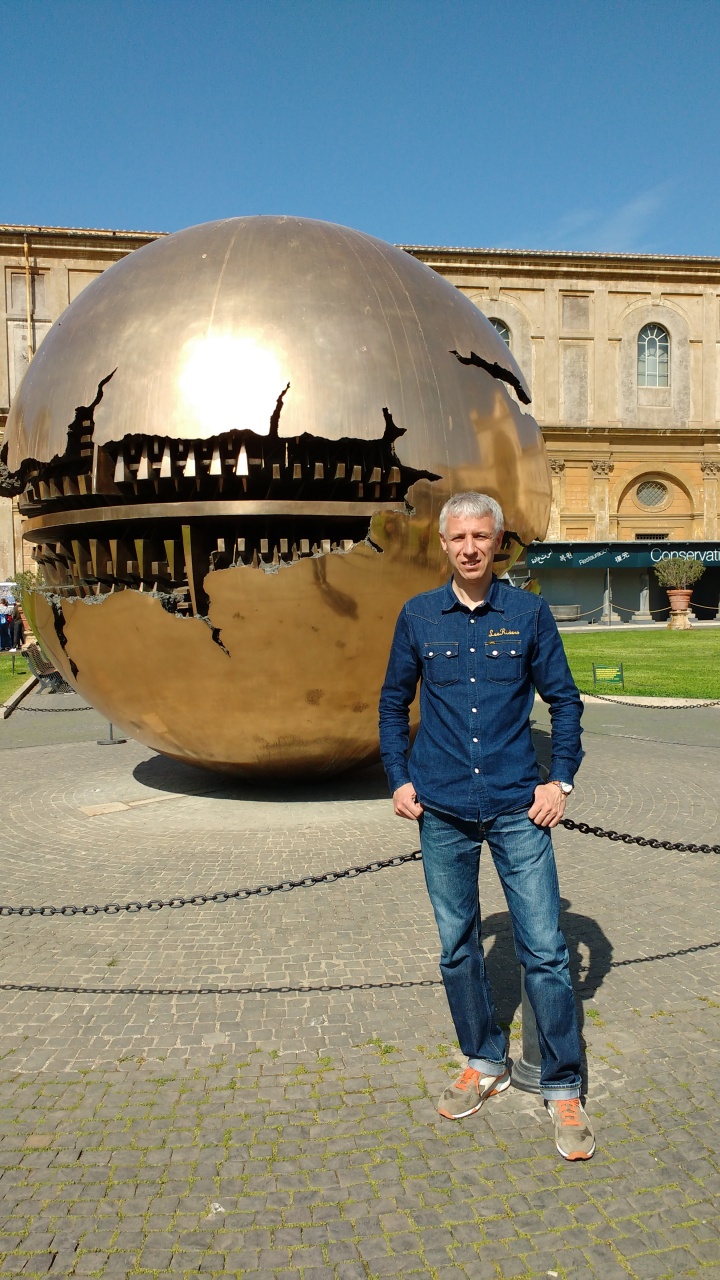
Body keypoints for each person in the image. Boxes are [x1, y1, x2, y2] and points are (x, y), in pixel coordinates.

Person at [379, 491, 594, 1162]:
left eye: (481, 536)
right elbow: (392, 702)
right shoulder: (418, 616)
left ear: (498, 543)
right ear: (444, 544)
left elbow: (564, 701)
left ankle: (562, 1082)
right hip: (440, 806)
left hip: (516, 806)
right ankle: (483, 1057)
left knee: (546, 949)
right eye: (459, 537)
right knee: (457, 946)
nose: (470, 548)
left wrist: (560, 780)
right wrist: (399, 777)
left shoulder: (527, 613)